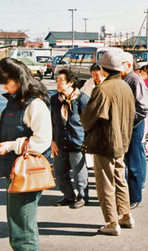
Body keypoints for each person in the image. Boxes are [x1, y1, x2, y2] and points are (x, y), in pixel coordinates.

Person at [0, 57, 52, 250]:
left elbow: (42, 141)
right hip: (15, 170)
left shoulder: (35, 104)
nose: (4, 88)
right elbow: (15, 133)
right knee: (18, 225)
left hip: (27, 173)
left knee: (23, 231)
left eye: (6, 83)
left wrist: (9, 146)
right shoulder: (17, 101)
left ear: (18, 79)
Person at [80, 50, 135, 236]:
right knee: (120, 179)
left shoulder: (102, 89)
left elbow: (88, 118)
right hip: (122, 141)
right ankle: (126, 215)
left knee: (105, 183)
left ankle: (112, 222)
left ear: (103, 69)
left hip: (105, 142)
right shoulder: (126, 86)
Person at [51, 69, 89, 209]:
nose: (58, 83)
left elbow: (89, 122)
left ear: (70, 83)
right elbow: (52, 121)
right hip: (60, 142)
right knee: (59, 171)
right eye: (57, 80)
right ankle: (68, 195)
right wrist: (52, 140)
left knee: (79, 173)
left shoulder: (82, 99)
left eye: (61, 81)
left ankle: (82, 196)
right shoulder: (55, 100)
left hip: (77, 142)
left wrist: (88, 141)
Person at [121, 52, 148, 210]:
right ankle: (129, 194)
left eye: (121, 63)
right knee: (126, 163)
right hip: (124, 126)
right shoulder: (123, 79)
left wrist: (129, 121)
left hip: (133, 126)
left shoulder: (135, 80)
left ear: (129, 64)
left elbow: (143, 107)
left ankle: (135, 197)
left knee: (133, 163)